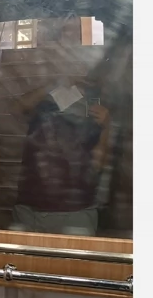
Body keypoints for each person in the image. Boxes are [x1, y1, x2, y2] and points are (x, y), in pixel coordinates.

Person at [10, 76, 111, 236]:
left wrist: (106, 128)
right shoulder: (48, 98)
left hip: (74, 213)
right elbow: (16, 108)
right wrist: (56, 82)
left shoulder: (97, 107)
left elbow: (98, 165)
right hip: (29, 209)